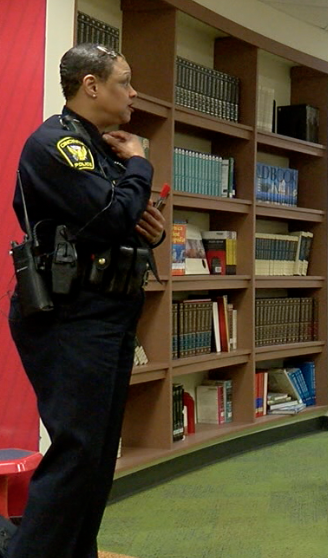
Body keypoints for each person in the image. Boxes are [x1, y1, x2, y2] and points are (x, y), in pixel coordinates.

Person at [6, 43, 165, 558]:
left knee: (96, 456)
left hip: (108, 312)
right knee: (77, 453)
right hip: (69, 317)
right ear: (91, 85)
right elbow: (113, 216)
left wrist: (154, 231)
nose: (133, 91)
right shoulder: (57, 144)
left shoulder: (101, 148)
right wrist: (140, 165)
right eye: (123, 80)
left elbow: (128, 221)